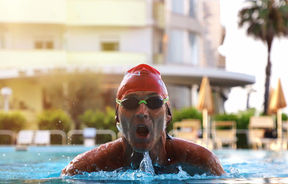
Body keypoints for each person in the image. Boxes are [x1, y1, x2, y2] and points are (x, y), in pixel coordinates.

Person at [62, 64, 225, 176]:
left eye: (154, 102)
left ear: (168, 114)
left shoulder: (201, 160)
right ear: (117, 117)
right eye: (130, 103)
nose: (142, 112)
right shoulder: (87, 166)